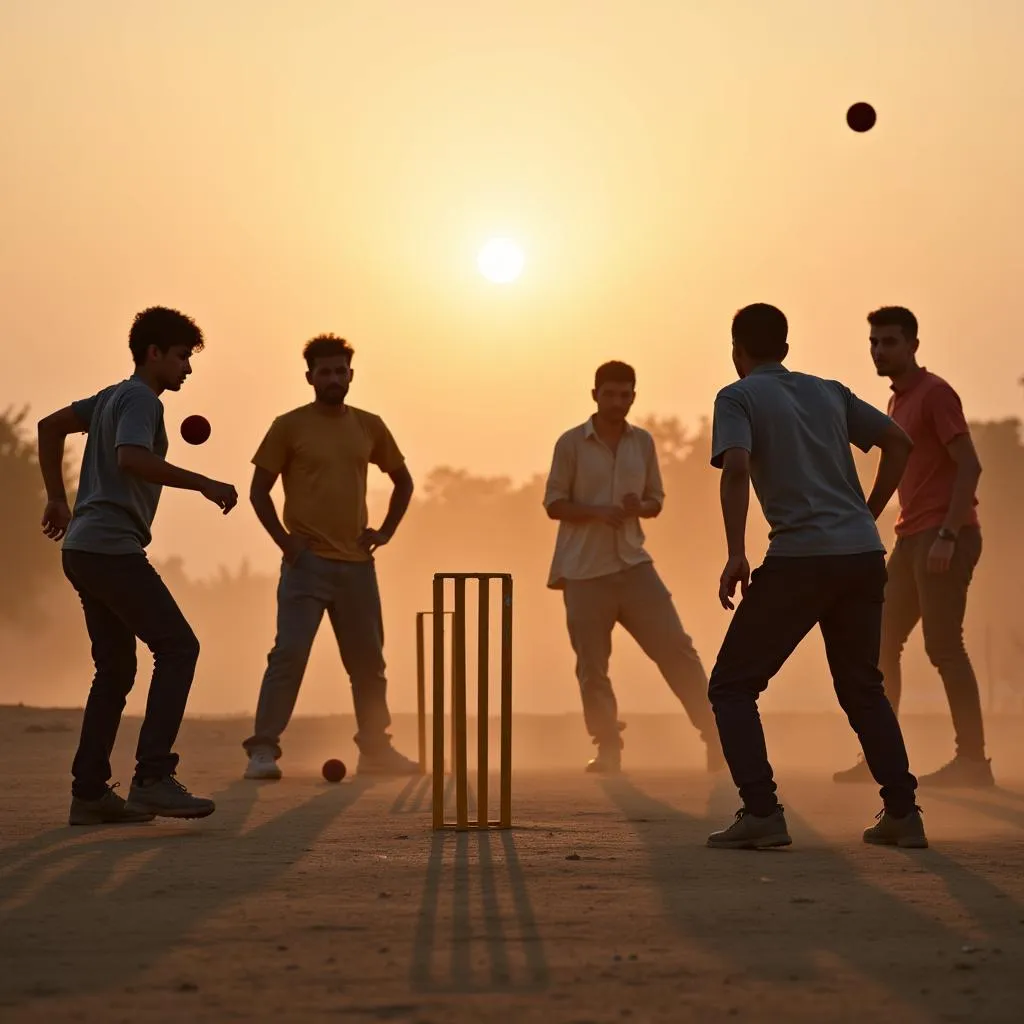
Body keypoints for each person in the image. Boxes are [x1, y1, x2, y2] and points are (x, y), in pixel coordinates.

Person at [706, 303, 926, 850]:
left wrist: (736, 551)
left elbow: (736, 468)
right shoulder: (829, 391)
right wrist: (867, 512)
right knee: (861, 687)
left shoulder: (737, 397)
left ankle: (761, 811)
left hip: (800, 559)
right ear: (784, 347)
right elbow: (898, 442)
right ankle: (902, 812)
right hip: (861, 555)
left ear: (738, 351)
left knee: (732, 686)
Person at [37, 306, 238, 826]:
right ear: (154, 354)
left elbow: (48, 426)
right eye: (182, 358)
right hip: (110, 549)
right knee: (179, 647)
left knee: (116, 669)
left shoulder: (108, 397)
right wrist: (205, 484)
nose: (187, 370)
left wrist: (58, 499)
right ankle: (152, 778)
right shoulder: (140, 400)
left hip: (83, 549)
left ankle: (90, 794)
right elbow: (131, 458)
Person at [242, 334, 419, 779]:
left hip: (358, 566)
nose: (334, 378)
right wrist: (285, 542)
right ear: (310, 377)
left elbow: (404, 482)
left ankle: (376, 750)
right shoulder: (289, 425)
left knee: (369, 664)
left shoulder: (368, 425)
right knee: (289, 655)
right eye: (325, 371)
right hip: (306, 566)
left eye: (341, 371)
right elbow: (258, 491)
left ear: (351, 375)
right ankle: (263, 750)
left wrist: (386, 531)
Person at [834, 306, 991, 787]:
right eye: (874, 343)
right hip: (910, 536)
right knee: (882, 643)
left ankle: (973, 763)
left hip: (945, 535)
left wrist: (948, 534)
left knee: (944, 646)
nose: (879, 350)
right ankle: (881, 756)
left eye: (889, 342)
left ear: (913, 346)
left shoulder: (935, 394)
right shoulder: (896, 401)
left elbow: (969, 466)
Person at [543, 361, 723, 774]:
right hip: (584, 570)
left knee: (678, 651)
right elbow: (554, 504)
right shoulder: (571, 443)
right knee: (593, 666)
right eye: (610, 394)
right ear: (595, 395)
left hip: (634, 563)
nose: (617, 402)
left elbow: (655, 500)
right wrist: (595, 512)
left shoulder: (641, 442)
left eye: (625, 395)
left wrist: (636, 508)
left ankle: (716, 737)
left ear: (634, 397)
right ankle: (607, 747)